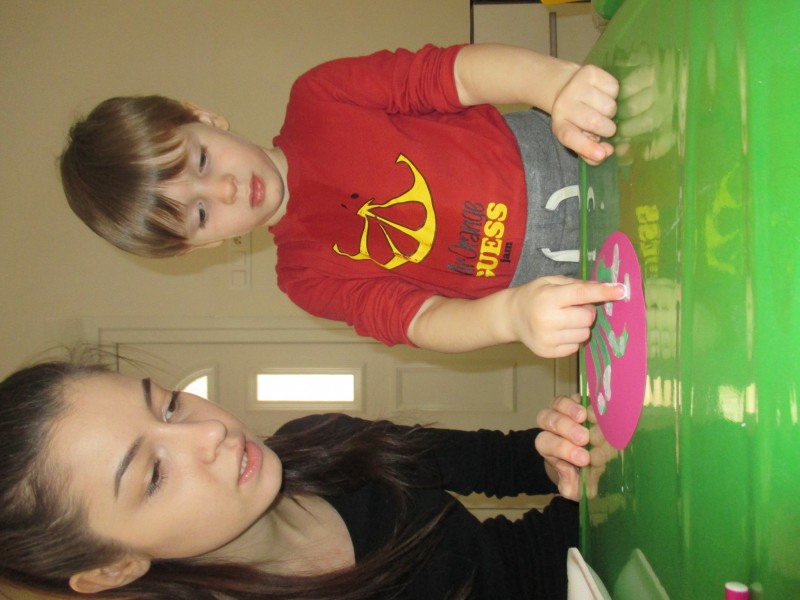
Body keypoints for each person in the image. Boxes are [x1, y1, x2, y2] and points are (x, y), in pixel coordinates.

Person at [60, 43, 624, 359]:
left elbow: (456, 75)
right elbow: (421, 319)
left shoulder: (320, 96)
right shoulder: (304, 278)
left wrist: (554, 85)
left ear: (202, 117)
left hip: (574, 146)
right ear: (198, 247)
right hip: (560, 282)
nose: (226, 189)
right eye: (201, 213)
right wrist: (511, 316)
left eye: (202, 161)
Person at [0, 356, 592, 600]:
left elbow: (499, 461)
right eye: (153, 474)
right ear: (113, 568)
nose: (210, 432)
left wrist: (558, 453)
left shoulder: (324, 440)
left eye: (169, 406)